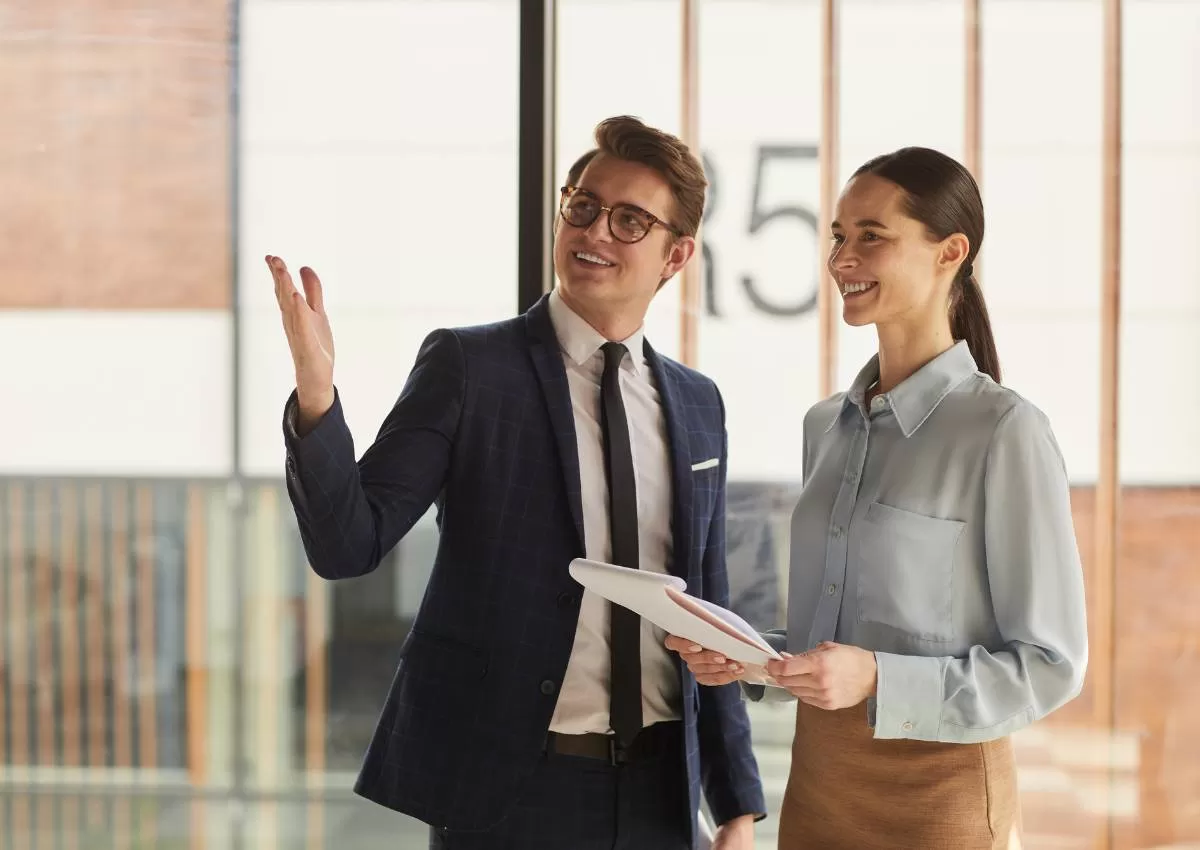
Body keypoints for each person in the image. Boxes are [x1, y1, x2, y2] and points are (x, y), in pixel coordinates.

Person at [268, 115, 765, 850]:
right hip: (513, 795)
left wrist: (736, 804)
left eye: (630, 220)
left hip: (663, 795)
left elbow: (706, 606)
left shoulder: (698, 403)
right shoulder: (470, 369)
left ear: (676, 254)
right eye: (583, 206)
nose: (595, 232)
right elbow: (349, 543)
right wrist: (317, 397)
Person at [669, 146, 1088, 849]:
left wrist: (876, 679)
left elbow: (1050, 666)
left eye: (872, 236)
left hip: (941, 800)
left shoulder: (1004, 432)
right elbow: (833, 643)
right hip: (818, 790)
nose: (841, 258)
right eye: (837, 235)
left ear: (950, 251)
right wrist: (753, 660)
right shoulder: (824, 427)